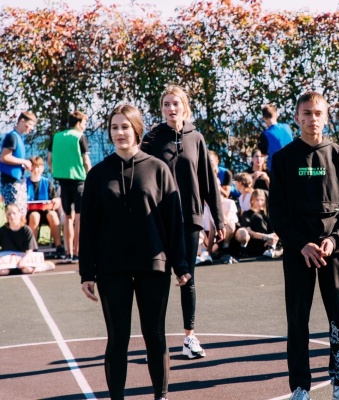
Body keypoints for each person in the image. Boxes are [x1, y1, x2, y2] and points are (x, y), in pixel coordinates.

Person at [79, 104, 190, 400]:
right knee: (118, 339)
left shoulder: (158, 169)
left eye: (125, 126)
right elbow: (88, 228)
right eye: (114, 127)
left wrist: (180, 265)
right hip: (111, 268)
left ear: (137, 129)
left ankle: (161, 396)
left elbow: (173, 222)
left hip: (153, 265)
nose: (119, 132)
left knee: (155, 336)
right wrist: (86, 272)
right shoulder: (98, 175)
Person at [270, 92, 339, 400]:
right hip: (299, 253)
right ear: (297, 117)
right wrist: (301, 244)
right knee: (298, 321)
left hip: (333, 251)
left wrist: (335, 239)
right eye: (307, 113)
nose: (313, 118)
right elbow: (277, 213)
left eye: (318, 113)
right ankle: (300, 388)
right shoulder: (283, 159)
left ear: (326, 117)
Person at [141, 85, 224, 360]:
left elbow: (208, 182)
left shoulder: (196, 138)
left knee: (188, 278)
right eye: (166, 104)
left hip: (190, 218)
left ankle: (189, 338)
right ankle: (156, 342)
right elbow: (140, 176)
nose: (171, 108)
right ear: (161, 108)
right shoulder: (152, 139)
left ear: (184, 106)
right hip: (159, 220)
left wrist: (219, 219)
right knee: (159, 279)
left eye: (175, 103)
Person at [48, 110, 92, 263]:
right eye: (84, 123)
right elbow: (86, 161)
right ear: (78, 123)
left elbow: (49, 159)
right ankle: (77, 253)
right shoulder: (80, 137)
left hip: (63, 180)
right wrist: (91, 177)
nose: (84, 127)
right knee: (79, 217)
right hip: (79, 181)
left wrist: (55, 171)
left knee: (67, 216)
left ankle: (68, 253)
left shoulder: (56, 137)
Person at [0, 111, 36, 217]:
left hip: (18, 180)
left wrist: (23, 166)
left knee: (21, 213)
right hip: (11, 182)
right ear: (22, 121)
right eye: (30, 124)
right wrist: (24, 161)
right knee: (14, 214)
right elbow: (4, 157)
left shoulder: (19, 138)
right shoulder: (12, 137)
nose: (31, 128)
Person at [26, 156, 64, 256]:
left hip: (46, 211)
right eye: (33, 167)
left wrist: (56, 201)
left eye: (38, 167)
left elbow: (55, 199)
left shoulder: (47, 182)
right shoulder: (25, 183)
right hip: (30, 213)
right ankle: (33, 248)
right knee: (35, 216)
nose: (36, 170)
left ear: (42, 168)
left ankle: (59, 246)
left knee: (53, 215)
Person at [234, 189, 280, 258]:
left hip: (268, 243)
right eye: (257, 200)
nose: (260, 203)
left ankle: (272, 247)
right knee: (256, 217)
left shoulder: (267, 214)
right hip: (255, 243)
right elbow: (250, 232)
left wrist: (272, 240)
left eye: (262, 200)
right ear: (252, 201)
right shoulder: (247, 214)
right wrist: (266, 237)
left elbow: (275, 230)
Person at [0, 204, 39, 276]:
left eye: (14, 213)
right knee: (3, 272)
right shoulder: (2, 230)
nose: (12, 216)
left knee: (27, 270)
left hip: (22, 258)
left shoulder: (26, 230)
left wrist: (24, 260)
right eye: (9, 214)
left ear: (19, 214)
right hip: (7, 261)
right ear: (7, 217)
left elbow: (30, 250)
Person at [258, 104, 294, 171]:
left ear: (263, 118)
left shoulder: (266, 134)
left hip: (276, 169)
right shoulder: (287, 127)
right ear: (276, 115)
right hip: (292, 166)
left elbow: (263, 153)